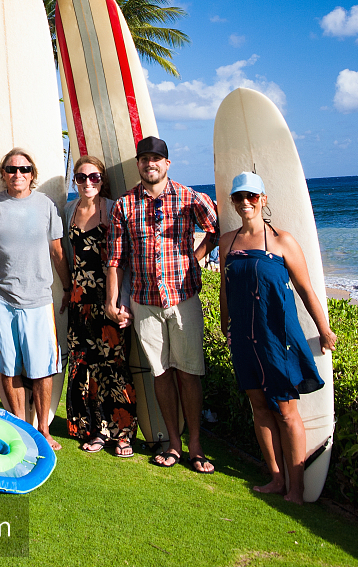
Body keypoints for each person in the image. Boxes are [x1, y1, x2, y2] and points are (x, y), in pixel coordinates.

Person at [219, 172, 336, 504]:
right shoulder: (227, 241)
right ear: (233, 202)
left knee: (286, 411)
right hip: (243, 336)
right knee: (259, 407)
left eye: (252, 197)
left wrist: (324, 329)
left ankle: (296, 489)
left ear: (263, 200)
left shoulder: (283, 242)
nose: (245, 203)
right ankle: (275, 477)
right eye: (239, 197)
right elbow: (226, 291)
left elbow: (306, 290)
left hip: (277, 337)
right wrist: (226, 326)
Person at [106, 135, 219, 473]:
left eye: (156, 159)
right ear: (138, 164)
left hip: (182, 298)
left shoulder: (189, 197)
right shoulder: (124, 205)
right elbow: (115, 258)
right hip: (144, 301)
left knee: (189, 372)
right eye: (144, 159)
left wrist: (195, 260)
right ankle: (173, 442)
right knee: (161, 371)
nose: (150, 164)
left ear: (167, 164)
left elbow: (215, 228)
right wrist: (113, 300)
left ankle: (196, 445)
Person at [0, 147, 70, 453]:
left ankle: (42, 428)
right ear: (3, 174)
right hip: (1, 298)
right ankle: (20, 425)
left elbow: (57, 251)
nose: (18, 174)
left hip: (39, 299)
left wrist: (69, 287)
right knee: (8, 366)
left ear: (33, 174)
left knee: (42, 368)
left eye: (24, 169)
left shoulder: (45, 205)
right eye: (12, 169)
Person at [63, 154, 137, 456]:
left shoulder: (113, 210)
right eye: (81, 177)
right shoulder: (69, 210)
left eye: (93, 177)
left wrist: (123, 301)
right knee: (84, 366)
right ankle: (93, 429)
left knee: (113, 367)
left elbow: (125, 260)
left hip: (109, 299)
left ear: (102, 180)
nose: (87, 182)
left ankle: (121, 433)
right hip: (79, 300)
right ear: (74, 181)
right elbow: (65, 255)